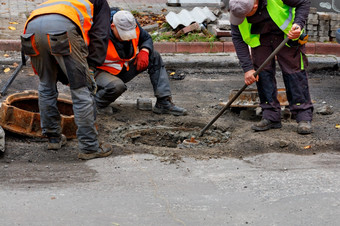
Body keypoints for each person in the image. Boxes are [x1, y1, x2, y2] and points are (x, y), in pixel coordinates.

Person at [21, 0, 113, 160]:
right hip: (62, 27)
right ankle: (89, 147)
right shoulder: (99, 2)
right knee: (80, 90)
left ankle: (53, 138)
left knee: (45, 84)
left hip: (32, 27)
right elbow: (100, 35)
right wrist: (90, 67)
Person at [229, 0, 313, 134]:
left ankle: (303, 116)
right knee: (262, 74)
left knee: (294, 72)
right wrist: (248, 69)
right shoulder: (237, 8)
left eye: (246, 15)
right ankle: (270, 116)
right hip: (261, 36)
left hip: (286, 35)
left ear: (255, 5)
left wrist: (298, 24)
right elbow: (237, 37)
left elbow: (304, 2)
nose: (243, 19)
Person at [94, 10, 187, 116]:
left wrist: (144, 51)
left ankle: (163, 103)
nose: (127, 37)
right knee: (116, 86)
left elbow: (146, 38)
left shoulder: (133, 25)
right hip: (100, 72)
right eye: (123, 34)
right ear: (112, 26)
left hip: (122, 68)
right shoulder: (99, 33)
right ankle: (95, 104)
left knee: (154, 56)